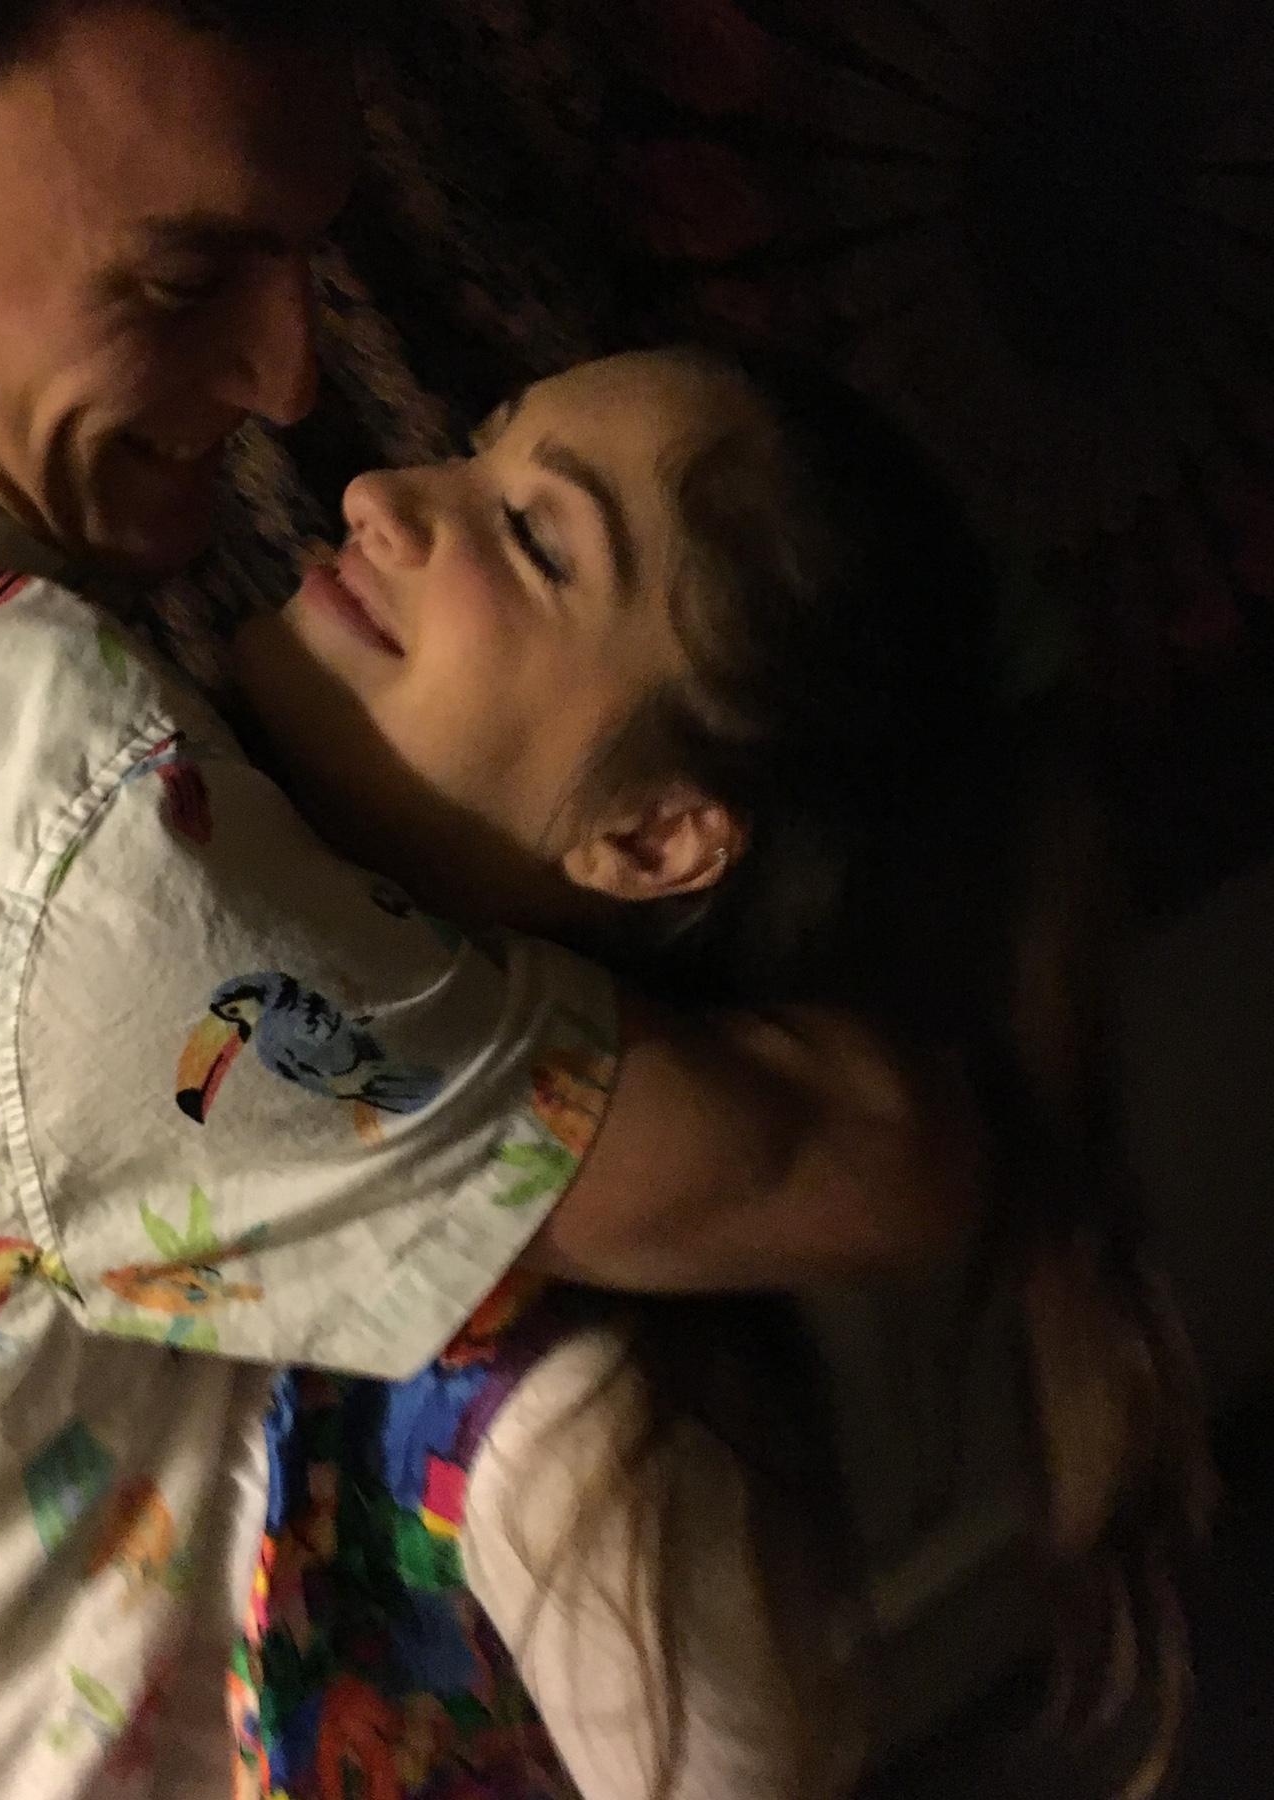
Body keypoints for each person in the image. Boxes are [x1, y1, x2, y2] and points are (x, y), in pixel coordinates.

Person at [0, 4, 977, 1797]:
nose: (291, 385)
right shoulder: (76, 845)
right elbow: (857, 1163)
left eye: (297, 259)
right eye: (185, 279)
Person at [216, 349, 1210, 1798]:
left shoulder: (568, 1444)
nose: (381, 494)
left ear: (654, 836)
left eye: (535, 536)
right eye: (475, 450)